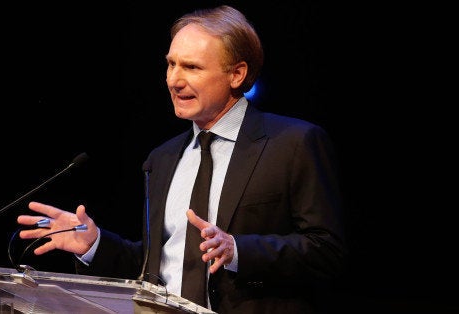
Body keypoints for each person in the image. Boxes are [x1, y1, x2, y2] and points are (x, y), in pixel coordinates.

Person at [17, 5, 346, 313]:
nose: (174, 80)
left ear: (237, 74)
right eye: (171, 63)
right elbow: (158, 263)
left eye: (191, 67)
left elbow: (327, 252)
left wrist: (238, 250)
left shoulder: (292, 143)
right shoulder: (162, 158)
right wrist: (95, 244)